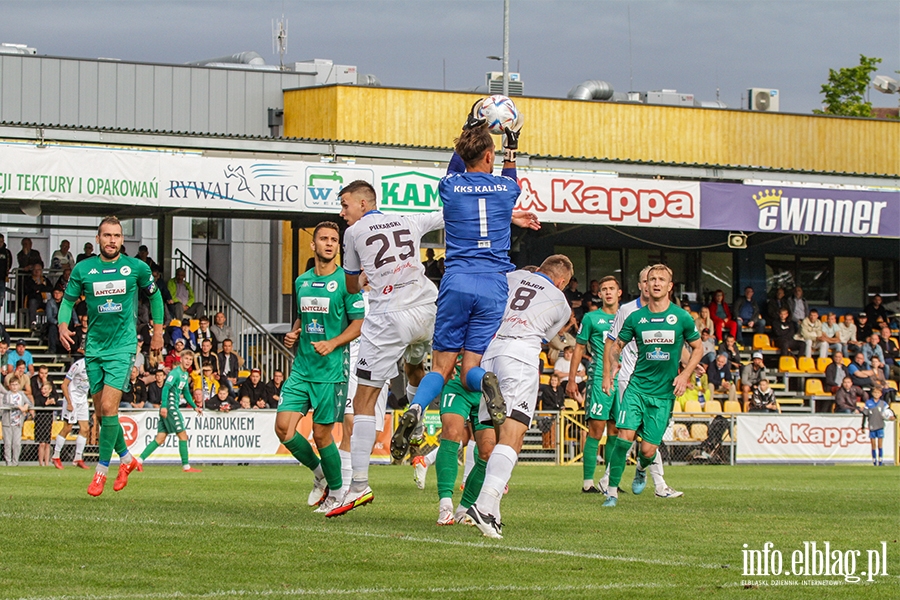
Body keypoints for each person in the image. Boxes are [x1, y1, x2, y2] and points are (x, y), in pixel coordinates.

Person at [388, 106, 538, 469]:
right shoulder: (506, 189)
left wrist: (468, 129)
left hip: (456, 281)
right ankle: (485, 378)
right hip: (493, 284)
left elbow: (455, 168)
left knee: (440, 368)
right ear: (490, 155)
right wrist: (511, 146)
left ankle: (416, 408)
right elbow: (510, 175)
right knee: (471, 366)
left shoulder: (451, 187)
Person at [327, 181, 441, 517]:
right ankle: (418, 421)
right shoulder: (408, 219)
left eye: (345, 204)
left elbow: (350, 286)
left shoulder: (354, 232)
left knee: (363, 400)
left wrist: (362, 278)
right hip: (428, 308)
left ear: (364, 203)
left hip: (388, 317)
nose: (342, 211)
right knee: (417, 366)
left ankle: (358, 486)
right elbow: (449, 215)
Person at [57, 215, 165, 496]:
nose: (112, 240)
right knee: (103, 414)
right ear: (98, 239)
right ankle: (127, 459)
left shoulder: (136, 268)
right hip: (93, 348)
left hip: (122, 347)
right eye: (107, 236)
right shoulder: (83, 269)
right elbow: (68, 301)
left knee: (108, 407)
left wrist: (158, 331)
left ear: (122, 240)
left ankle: (101, 472)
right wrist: (62, 324)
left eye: (116, 236)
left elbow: (155, 296)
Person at [466, 255, 573, 538]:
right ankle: (484, 506)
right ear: (561, 281)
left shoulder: (510, 277)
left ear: (540, 269)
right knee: (514, 435)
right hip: (521, 356)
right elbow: (548, 338)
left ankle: (493, 512)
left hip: (489, 355)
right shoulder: (561, 303)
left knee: (502, 435)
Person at [273, 221, 363, 514]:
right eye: (323, 239)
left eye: (334, 240)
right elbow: (301, 316)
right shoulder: (302, 281)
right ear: (313, 245)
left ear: (339, 246)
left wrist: (334, 342)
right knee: (283, 428)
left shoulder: (346, 283)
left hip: (331, 370)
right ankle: (321, 473)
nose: (329, 243)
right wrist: (293, 332)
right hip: (302, 368)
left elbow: (358, 324)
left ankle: (338, 493)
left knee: (323, 435)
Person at [601, 264, 703, 508]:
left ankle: (641, 469)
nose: (656, 283)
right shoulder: (636, 317)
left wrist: (685, 374)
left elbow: (698, 348)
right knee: (624, 437)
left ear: (670, 286)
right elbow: (616, 345)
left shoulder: (681, 317)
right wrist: (614, 364)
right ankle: (611, 492)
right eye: (651, 279)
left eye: (661, 279)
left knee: (647, 450)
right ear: (644, 285)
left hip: (663, 393)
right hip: (637, 388)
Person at [567, 275, 620, 494]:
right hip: (599, 376)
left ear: (619, 293)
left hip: (623, 377)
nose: (608, 292)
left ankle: (609, 480)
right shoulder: (591, 318)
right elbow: (579, 348)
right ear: (599, 294)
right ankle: (588, 481)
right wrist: (572, 379)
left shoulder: (628, 317)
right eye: (604, 289)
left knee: (616, 430)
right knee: (596, 429)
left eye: (611, 289)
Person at [430, 356, 496, 525]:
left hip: (487, 389)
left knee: (487, 451)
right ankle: (445, 506)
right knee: (451, 432)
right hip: (458, 382)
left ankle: (464, 509)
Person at [136, 350, 202, 472]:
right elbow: (166, 388)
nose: (188, 361)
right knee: (183, 435)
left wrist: (194, 406)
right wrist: (165, 406)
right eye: (186, 358)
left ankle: (139, 461)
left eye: (190, 359)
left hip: (171, 407)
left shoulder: (185, 374)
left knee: (160, 438)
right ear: (181, 359)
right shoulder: (175, 373)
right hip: (171, 407)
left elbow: (186, 392)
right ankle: (186, 466)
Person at [53, 357, 91, 469]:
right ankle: (56, 456)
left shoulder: (95, 365)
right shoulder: (78, 365)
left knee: (85, 428)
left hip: (82, 400)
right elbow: (64, 384)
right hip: (72, 398)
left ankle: (78, 458)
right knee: (68, 428)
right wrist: (69, 402)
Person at [1, 378, 32, 466]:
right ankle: (9, 462)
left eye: (16, 385)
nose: (14, 387)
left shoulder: (21, 394)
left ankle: (15, 462)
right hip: (7, 422)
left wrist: (26, 405)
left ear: (19, 385)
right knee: (8, 443)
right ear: (10, 386)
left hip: (18, 423)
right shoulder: (7, 394)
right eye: (12, 385)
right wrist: (18, 406)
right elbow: (6, 404)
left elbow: (29, 403)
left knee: (17, 443)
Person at [860, 386, 893, 466]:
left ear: (881, 394)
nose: (876, 394)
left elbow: (889, 411)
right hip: (872, 425)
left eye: (878, 393)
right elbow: (865, 414)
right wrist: (863, 426)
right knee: (873, 444)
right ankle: (874, 460)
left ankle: (881, 460)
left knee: (880, 444)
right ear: (872, 393)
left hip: (880, 425)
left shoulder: (883, 403)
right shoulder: (868, 403)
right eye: (875, 392)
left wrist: (892, 416)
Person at [32, 375, 58, 466]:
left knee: (47, 443)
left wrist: (53, 402)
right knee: (42, 443)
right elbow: (39, 405)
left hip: (48, 421)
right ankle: (40, 462)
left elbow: (56, 403)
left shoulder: (52, 397)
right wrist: (46, 403)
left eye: (46, 389)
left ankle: (47, 462)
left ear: (50, 390)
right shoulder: (38, 397)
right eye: (43, 389)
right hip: (40, 421)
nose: (44, 391)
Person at [24, 263, 53, 328]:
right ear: (32, 271)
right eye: (35, 269)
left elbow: (50, 288)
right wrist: (42, 287)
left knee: (52, 303)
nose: (37, 271)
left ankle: (51, 324)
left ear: (41, 271)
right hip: (36, 300)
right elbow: (32, 288)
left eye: (39, 269)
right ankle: (33, 323)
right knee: (32, 302)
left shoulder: (45, 279)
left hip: (46, 300)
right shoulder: (29, 280)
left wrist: (39, 288)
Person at [0, 233, 13, 313]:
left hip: (1, 279)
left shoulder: (6, 252)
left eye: (1, 241)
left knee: (0, 299)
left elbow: (9, 263)